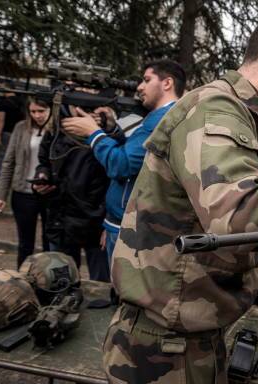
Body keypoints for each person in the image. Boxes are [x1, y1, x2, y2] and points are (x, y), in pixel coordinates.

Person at [102, 11, 258, 384]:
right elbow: (238, 213)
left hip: (184, 338)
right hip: (166, 348)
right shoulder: (217, 111)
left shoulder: (238, 114)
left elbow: (228, 236)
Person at [61, 59, 186, 263]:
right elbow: (138, 157)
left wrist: (93, 132)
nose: (139, 87)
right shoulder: (160, 117)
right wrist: (112, 130)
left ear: (167, 83)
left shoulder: (161, 120)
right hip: (123, 223)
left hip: (131, 229)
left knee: (122, 293)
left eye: (146, 80)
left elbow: (122, 165)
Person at [33, 105, 110, 282]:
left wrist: (109, 219)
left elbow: (117, 174)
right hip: (61, 219)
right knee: (60, 284)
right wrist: (42, 176)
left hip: (95, 222)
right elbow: (44, 162)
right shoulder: (55, 132)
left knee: (101, 287)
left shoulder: (107, 132)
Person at [0, 98, 51, 267]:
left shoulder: (57, 130)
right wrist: (0, 195)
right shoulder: (21, 128)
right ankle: (22, 282)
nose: (37, 115)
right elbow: (8, 162)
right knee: (25, 244)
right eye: (33, 112)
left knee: (50, 243)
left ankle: (48, 282)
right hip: (23, 193)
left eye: (41, 111)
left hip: (49, 193)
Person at [0, 91, 24, 177]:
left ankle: (0, 175)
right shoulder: (22, 102)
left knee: (3, 154)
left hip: (7, 133)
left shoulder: (4, 102)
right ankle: (12, 175)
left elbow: (0, 119)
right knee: (16, 155)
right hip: (20, 133)